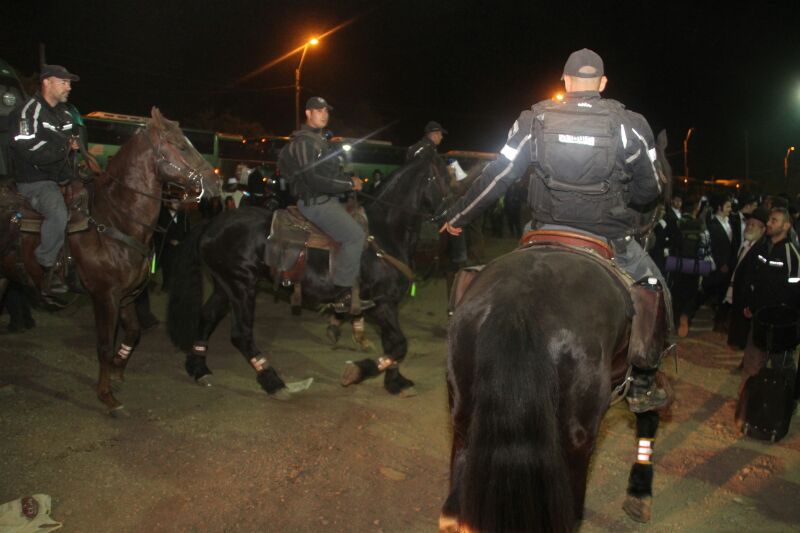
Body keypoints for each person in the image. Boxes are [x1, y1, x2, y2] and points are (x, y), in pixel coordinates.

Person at [440, 48, 668, 412]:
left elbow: (499, 174)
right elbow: (651, 189)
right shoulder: (630, 125)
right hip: (609, 235)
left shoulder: (535, 119)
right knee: (658, 292)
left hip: (543, 230)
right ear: (603, 84)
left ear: (564, 80)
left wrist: (459, 216)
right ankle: (643, 382)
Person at [277, 96, 368, 314]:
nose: (324, 114)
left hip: (327, 199)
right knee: (355, 236)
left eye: (326, 111)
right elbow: (313, 179)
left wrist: (347, 179)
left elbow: (328, 173)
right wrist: (348, 183)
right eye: (319, 111)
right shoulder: (305, 142)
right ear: (308, 113)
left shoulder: (320, 141)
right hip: (316, 202)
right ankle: (343, 293)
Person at [9, 64, 81, 296]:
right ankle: (46, 262)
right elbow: (28, 148)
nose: (69, 87)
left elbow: (75, 141)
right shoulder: (28, 112)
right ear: (47, 82)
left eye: (69, 82)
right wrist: (64, 147)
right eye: (64, 82)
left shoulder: (66, 114)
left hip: (65, 177)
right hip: (36, 181)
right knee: (58, 213)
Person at [734, 207, 800, 430]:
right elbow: (755, 279)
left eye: (775, 220)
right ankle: (745, 411)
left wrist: (787, 320)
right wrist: (750, 305)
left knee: (782, 367)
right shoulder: (763, 249)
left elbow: (792, 293)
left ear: (786, 226)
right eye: (769, 220)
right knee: (752, 363)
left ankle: (783, 406)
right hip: (759, 320)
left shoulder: (791, 254)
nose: (769, 223)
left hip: (781, 325)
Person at [724, 206, 769, 350]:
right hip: (738, 294)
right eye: (749, 224)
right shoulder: (746, 244)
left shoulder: (761, 249)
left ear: (763, 230)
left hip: (747, 296)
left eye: (754, 225)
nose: (749, 227)